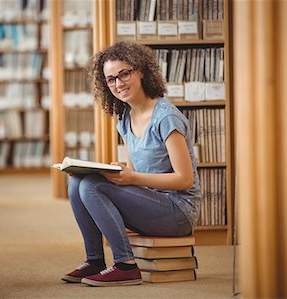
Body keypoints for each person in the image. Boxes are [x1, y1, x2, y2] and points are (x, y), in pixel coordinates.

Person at [62, 41, 201, 287]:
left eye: (124, 73)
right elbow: (135, 170)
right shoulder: (125, 117)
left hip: (178, 212)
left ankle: (126, 265)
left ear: (142, 71)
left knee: (91, 187)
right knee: (77, 181)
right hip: (150, 202)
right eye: (111, 79)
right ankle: (94, 260)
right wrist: (119, 173)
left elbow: (184, 179)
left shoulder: (166, 118)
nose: (119, 83)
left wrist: (131, 179)